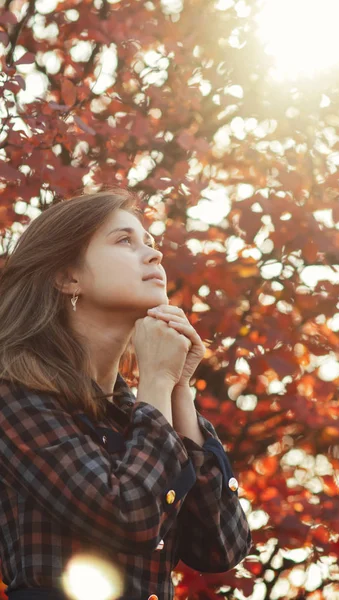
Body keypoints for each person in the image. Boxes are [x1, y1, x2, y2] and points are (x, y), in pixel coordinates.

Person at [0, 188, 253, 600]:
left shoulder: (139, 413)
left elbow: (222, 547)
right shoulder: (13, 396)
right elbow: (127, 516)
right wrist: (154, 382)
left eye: (151, 245)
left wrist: (179, 387)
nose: (154, 256)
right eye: (125, 241)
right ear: (68, 277)